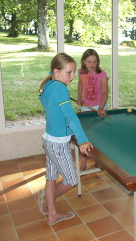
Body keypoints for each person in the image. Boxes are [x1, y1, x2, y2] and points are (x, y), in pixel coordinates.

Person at [39, 53, 93, 225]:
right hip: (58, 143)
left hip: (48, 140)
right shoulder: (60, 88)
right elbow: (71, 116)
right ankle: (48, 199)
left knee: (51, 177)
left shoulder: (49, 84)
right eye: (68, 73)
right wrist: (82, 139)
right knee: (71, 180)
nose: (72, 77)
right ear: (56, 71)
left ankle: (52, 214)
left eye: (73, 73)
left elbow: (56, 110)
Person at [77, 48, 109, 171]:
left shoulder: (102, 74)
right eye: (89, 61)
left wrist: (101, 107)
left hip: (100, 106)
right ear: (84, 61)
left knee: (99, 136)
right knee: (85, 136)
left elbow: (105, 92)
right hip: (86, 107)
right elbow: (80, 84)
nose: (92, 64)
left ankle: (98, 160)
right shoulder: (81, 72)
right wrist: (79, 97)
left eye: (95, 61)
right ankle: (83, 164)